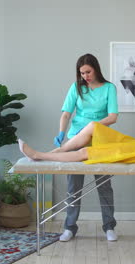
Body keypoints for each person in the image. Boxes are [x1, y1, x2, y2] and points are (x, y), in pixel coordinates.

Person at [53, 54, 119, 242]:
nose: (85, 76)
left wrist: (93, 127)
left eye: (88, 72)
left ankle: (109, 227)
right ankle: (69, 227)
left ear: (96, 69)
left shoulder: (109, 88)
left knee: (104, 186)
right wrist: (61, 133)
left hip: (99, 140)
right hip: (76, 139)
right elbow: (66, 114)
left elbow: (113, 116)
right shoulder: (76, 87)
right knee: (73, 187)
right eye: (82, 73)